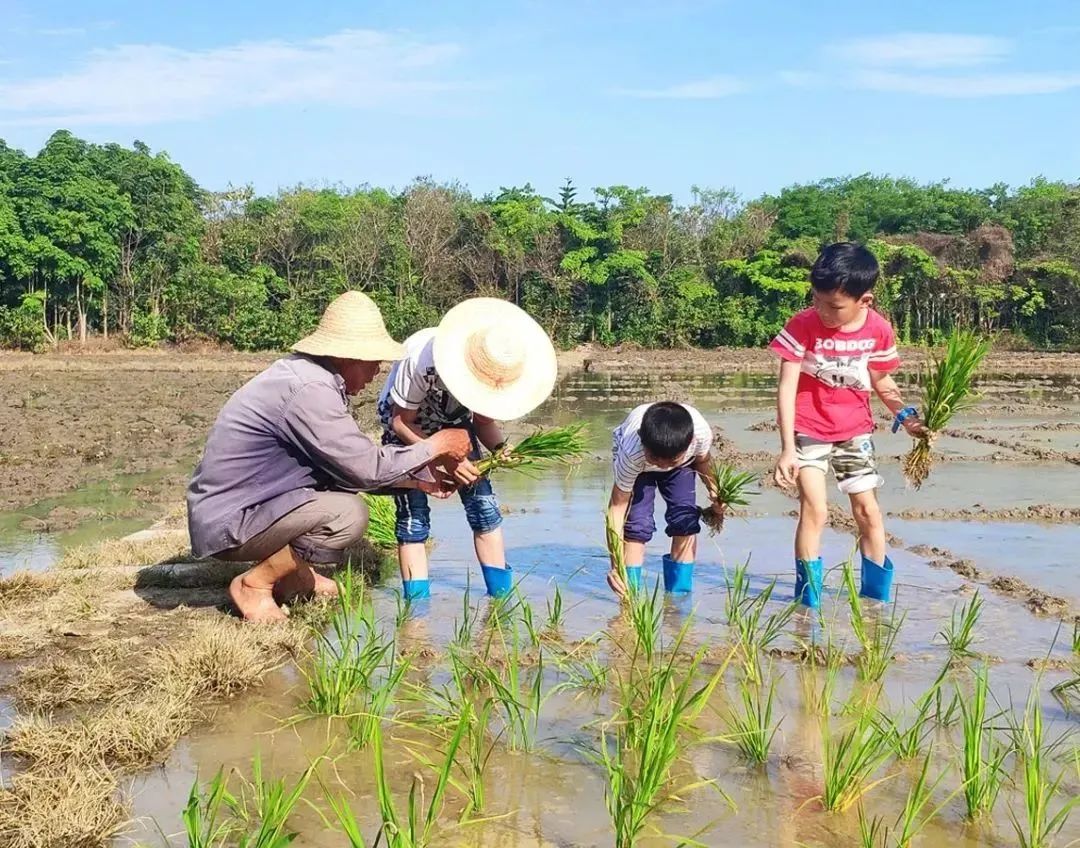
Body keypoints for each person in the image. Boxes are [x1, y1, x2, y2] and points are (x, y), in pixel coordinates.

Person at [187, 291, 472, 623]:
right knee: (347, 514)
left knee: (337, 493)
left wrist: (418, 480)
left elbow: (347, 468)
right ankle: (255, 585)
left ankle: (293, 576)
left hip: (251, 505)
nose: (377, 371)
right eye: (373, 362)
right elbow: (366, 469)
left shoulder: (312, 378)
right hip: (230, 521)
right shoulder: (310, 390)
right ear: (348, 357)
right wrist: (437, 445)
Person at [770, 242, 929, 608]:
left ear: (865, 301)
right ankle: (807, 602)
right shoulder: (803, 324)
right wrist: (787, 449)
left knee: (868, 512)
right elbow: (787, 386)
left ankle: (876, 602)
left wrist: (907, 418)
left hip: (854, 431)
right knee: (816, 509)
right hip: (808, 430)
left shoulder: (878, 330)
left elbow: (883, 382)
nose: (823, 311)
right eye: (817, 300)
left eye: (834, 306)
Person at [378, 297, 558, 601]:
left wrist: (501, 449)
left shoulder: (490, 373)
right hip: (410, 428)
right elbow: (400, 421)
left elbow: (482, 421)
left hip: (456, 427)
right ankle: (417, 612)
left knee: (484, 506)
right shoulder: (422, 361)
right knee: (414, 515)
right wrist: (442, 456)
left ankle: (501, 600)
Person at [605, 401, 721, 597]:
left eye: (670, 461)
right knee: (636, 526)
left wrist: (715, 490)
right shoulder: (632, 452)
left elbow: (703, 461)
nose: (663, 466)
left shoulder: (700, 435)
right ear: (643, 441)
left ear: (690, 442)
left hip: (682, 466)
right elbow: (617, 508)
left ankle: (679, 599)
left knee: (685, 521)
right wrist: (615, 565)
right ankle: (629, 596)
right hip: (640, 468)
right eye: (657, 460)